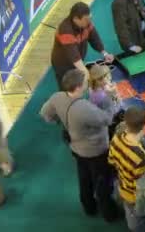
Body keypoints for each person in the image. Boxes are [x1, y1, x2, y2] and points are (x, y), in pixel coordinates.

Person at [40, 70, 118, 221]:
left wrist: (62, 123)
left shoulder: (57, 97)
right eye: (84, 83)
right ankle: (109, 214)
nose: (86, 84)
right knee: (102, 183)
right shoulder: (84, 108)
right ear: (77, 87)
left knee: (84, 179)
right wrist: (110, 97)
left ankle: (89, 207)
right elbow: (108, 119)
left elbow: (45, 114)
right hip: (96, 151)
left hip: (76, 148)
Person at [50, 2, 114, 88]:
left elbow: (94, 38)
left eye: (89, 18)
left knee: (79, 81)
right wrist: (86, 73)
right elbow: (74, 56)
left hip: (77, 58)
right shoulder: (65, 30)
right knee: (68, 87)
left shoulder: (86, 23)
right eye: (86, 19)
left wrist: (104, 53)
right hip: (63, 64)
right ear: (76, 19)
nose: (89, 22)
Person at [108, 107, 145, 232]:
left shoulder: (116, 138)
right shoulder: (141, 156)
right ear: (144, 126)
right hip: (133, 196)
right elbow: (142, 185)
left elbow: (111, 160)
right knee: (138, 223)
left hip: (121, 183)